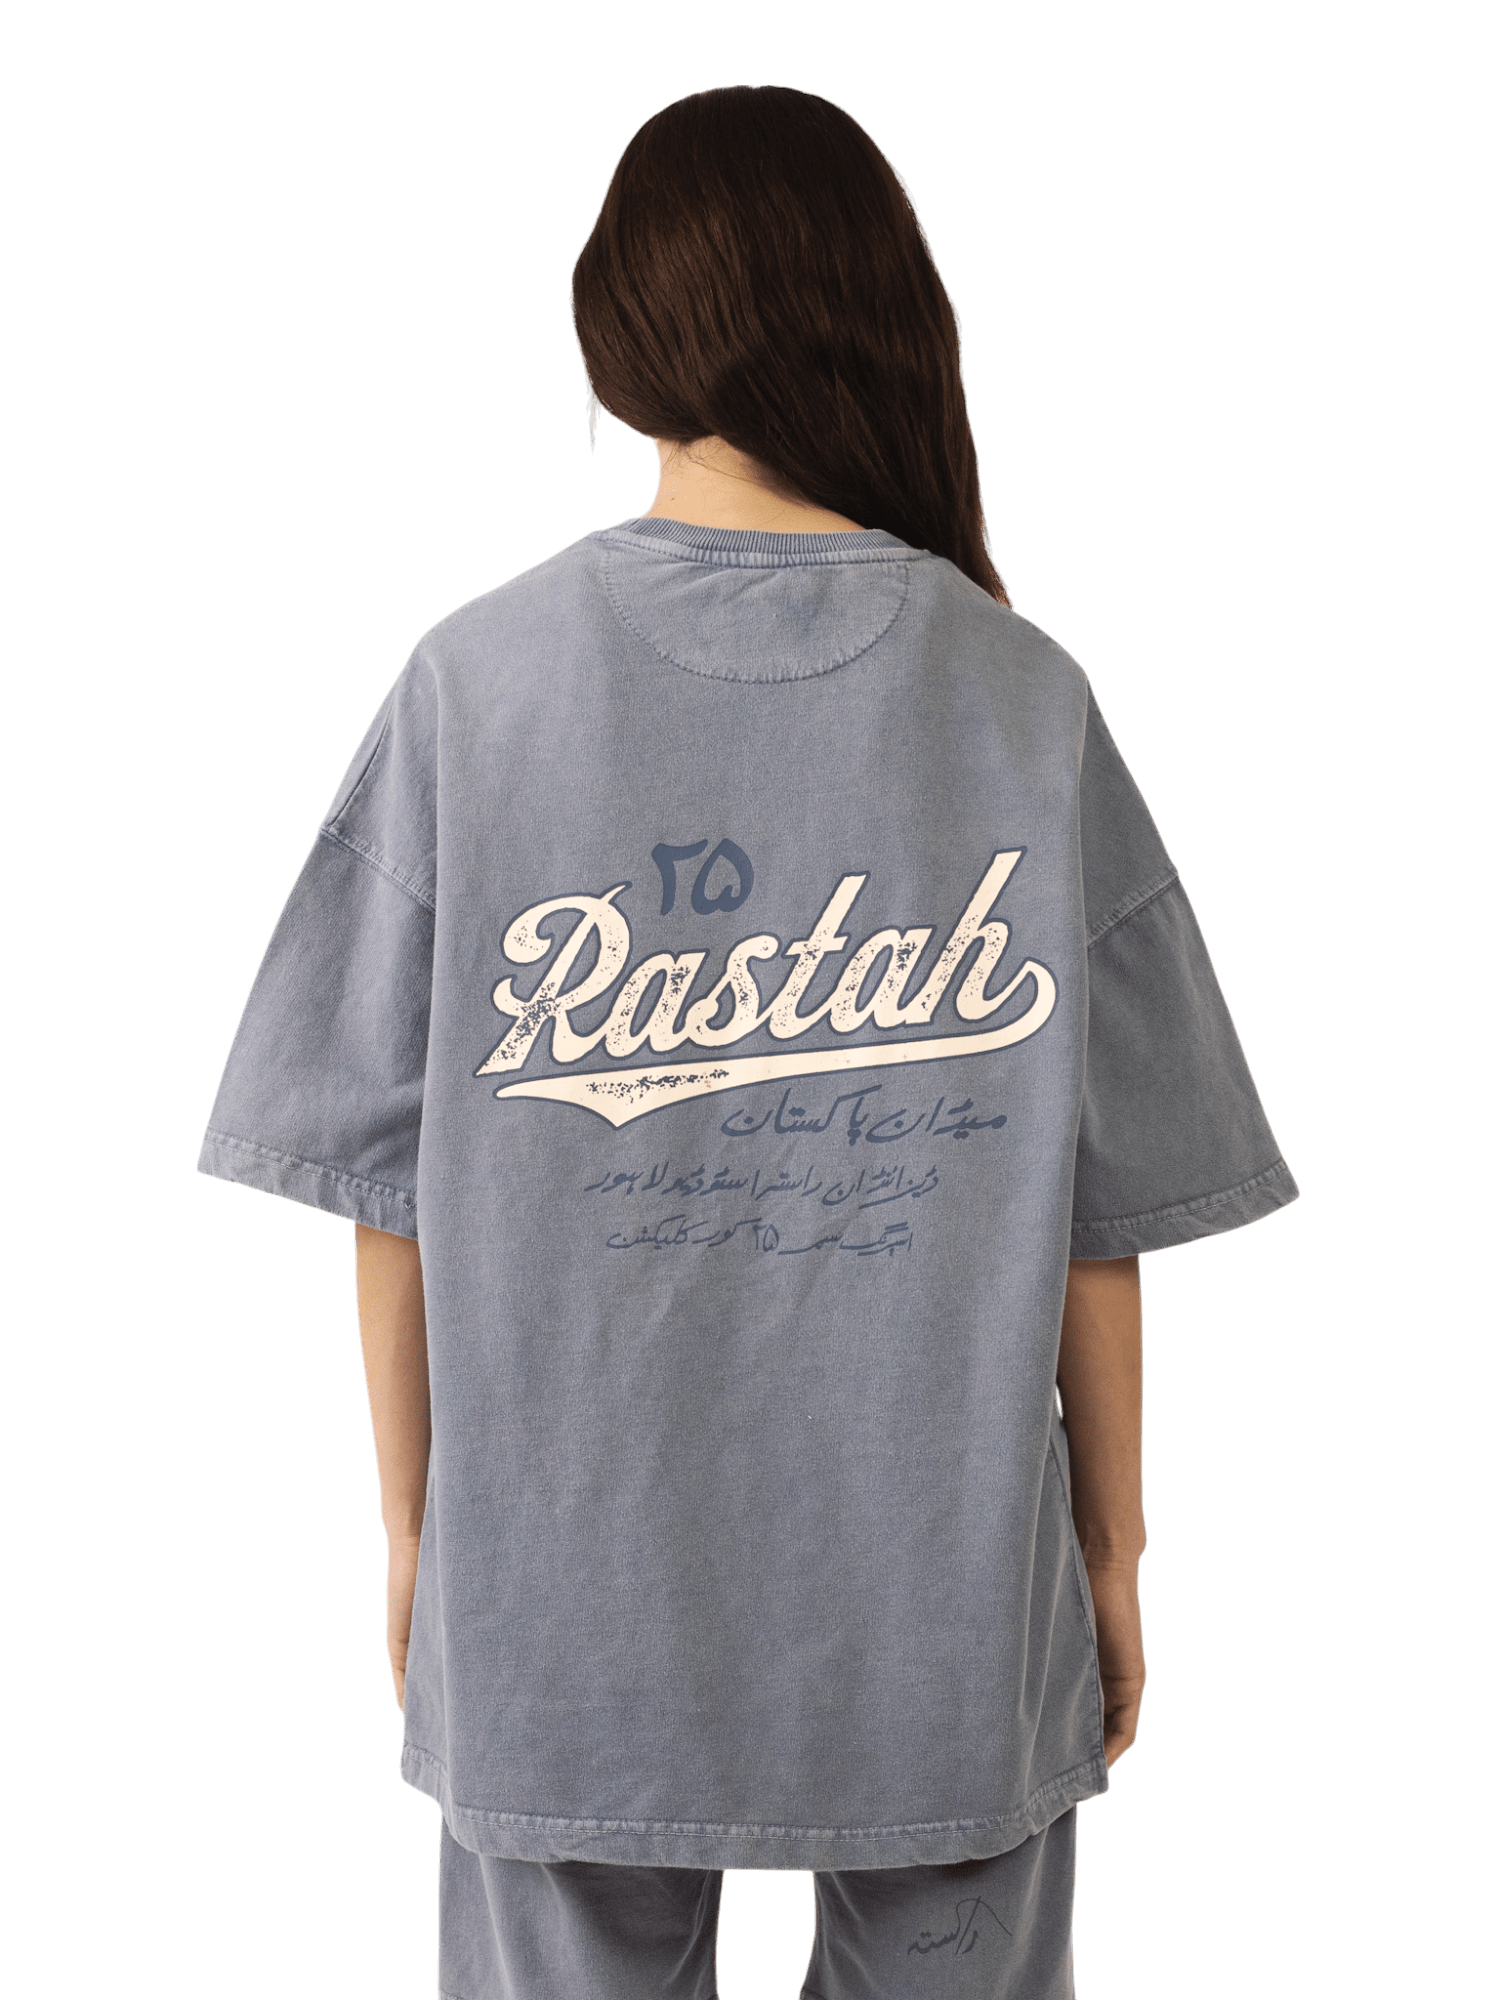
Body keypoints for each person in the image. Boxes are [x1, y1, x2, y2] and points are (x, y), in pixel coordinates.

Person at [198, 85, 1298, 1999]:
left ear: (617, 334)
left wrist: (412, 1528)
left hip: (563, 1609)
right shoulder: (1024, 700)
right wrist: (1113, 1552)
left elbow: (389, 1193)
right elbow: (1098, 1218)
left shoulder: (473, 689)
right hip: (945, 1616)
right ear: (886, 316)